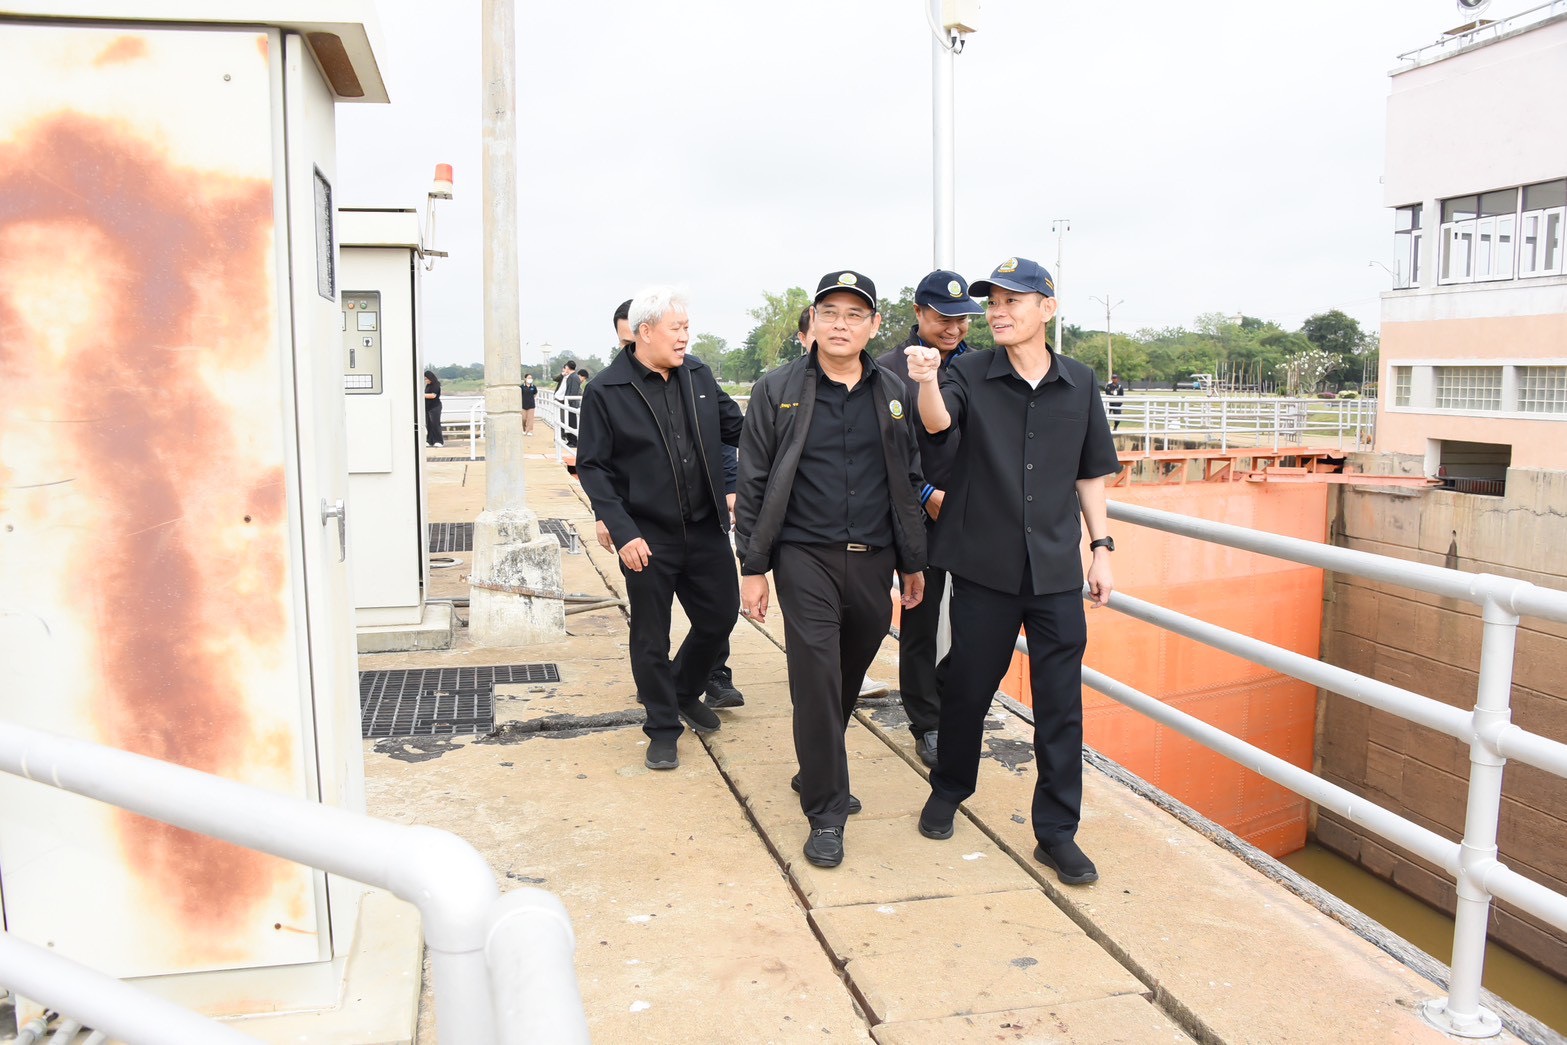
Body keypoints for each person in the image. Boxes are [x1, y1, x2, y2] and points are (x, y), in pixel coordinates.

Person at [904, 256, 1119, 886]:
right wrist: (926, 379)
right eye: (993, 303)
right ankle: (950, 788)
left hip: (1055, 572)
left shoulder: (1080, 382)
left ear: (1046, 309)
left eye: (1012, 301)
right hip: (984, 566)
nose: (997, 312)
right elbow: (938, 424)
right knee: (969, 688)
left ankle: (1057, 833)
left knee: (1061, 704)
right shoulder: (967, 371)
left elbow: (1091, 472)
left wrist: (1101, 547)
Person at [735, 269, 927, 870]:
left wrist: (912, 561)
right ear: (813, 322)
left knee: (845, 676)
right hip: (804, 556)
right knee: (815, 674)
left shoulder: (892, 391)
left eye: (854, 315)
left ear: (874, 325)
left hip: (873, 559)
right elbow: (754, 478)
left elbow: (908, 477)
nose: (840, 325)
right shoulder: (777, 389)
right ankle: (826, 810)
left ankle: (815, 764)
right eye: (830, 313)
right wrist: (752, 566)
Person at [577, 286, 744, 771]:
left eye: (687, 327)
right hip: (647, 535)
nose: (685, 337)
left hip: (706, 526)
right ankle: (663, 726)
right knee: (652, 634)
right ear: (645, 332)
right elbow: (593, 467)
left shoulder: (698, 375)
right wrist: (622, 530)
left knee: (720, 616)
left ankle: (682, 689)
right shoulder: (606, 390)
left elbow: (738, 429)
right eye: (677, 328)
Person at [874, 270, 985, 769]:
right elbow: (881, 451)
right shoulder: (886, 371)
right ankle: (927, 721)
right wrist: (924, 494)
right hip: (920, 514)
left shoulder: (982, 367)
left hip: (978, 516)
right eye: (943, 317)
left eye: (963, 319)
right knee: (920, 620)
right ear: (918, 313)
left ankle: (946, 696)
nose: (954, 328)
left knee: (984, 622)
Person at [423, 369, 444, 447]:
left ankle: (439, 441)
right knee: (429, 424)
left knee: (435, 424)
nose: (426, 380)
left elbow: (433, 395)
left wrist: (421, 395)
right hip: (428, 407)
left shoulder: (436, 385)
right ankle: (430, 440)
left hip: (435, 407)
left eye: (426, 379)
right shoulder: (428, 385)